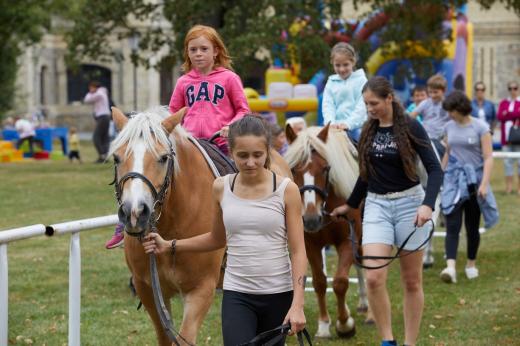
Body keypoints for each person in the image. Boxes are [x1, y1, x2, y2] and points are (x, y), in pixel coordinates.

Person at [142, 115, 307, 346]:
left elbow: (298, 251)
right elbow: (217, 238)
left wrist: (297, 305)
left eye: (258, 155)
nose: (250, 162)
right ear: (231, 153)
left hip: (277, 294)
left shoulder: (287, 190)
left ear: (267, 152)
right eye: (242, 156)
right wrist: (170, 245)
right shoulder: (221, 187)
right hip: (237, 295)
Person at [330, 76, 443, 346]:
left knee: (412, 281)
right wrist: (351, 204)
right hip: (377, 206)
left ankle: (410, 342)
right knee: (373, 277)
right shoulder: (368, 130)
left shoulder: (411, 127)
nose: (370, 109)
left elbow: (435, 170)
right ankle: (387, 340)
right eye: (366, 104)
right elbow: (365, 175)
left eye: (375, 103)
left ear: (389, 98)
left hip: (410, 205)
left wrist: (428, 204)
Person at [439, 91, 495, 284]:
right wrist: (440, 174)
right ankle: (451, 267)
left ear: (460, 109)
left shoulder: (481, 127)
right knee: (452, 224)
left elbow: (488, 157)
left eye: (452, 111)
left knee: (472, 226)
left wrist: (484, 184)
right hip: (453, 181)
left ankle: (471, 263)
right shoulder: (448, 126)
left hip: (474, 182)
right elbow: (448, 152)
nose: (449, 114)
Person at [169, 24, 249, 154]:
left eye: (204, 49)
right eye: (193, 50)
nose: (198, 54)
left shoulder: (230, 78)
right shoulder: (182, 82)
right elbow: (173, 113)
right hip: (190, 145)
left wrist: (231, 126)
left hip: (222, 145)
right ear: (187, 53)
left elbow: (243, 110)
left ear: (215, 51)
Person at [322, 42, 368, 141]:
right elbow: (328, 105)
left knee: (361, 148)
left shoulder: (361, 81)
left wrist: (348, 124)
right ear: (332, 63)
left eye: (346, 64)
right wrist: (330, 123)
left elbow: (361, 107)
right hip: (334, 128)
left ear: (353, 62)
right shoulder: (331, 82)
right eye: (337, 65)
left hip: (356, 128)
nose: (342, 69)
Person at [410, 74, 451, 159]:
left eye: (435, 92)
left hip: (442, 140)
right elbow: (411, 117)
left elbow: (454, 121)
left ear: (444, 91)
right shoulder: (426, 103)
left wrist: (447, 138)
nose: (432, 95)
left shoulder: (448, 104)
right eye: (430, 92)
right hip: (426, 139)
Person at [497, 81, 520, 194]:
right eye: (510, 88)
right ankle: (509, 187)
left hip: (518, 139)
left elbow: (515, 115)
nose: (513, 90)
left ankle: (519, 188)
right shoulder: (503, 102)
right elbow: (500, 116)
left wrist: (508, 114)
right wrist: (514, 113)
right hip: (505, 139)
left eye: (515, 88)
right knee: (507, 163)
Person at [83, 81, 111, 163]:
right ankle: (104, 156)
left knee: (96, 137)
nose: (90, 89)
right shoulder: (102, 93)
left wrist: (90, 93)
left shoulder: (99, 94)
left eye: (91, 88)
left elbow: (86, 100)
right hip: (105, 117)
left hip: (102, 117)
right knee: (104, 137)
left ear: (94, 87)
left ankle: (102, 155)